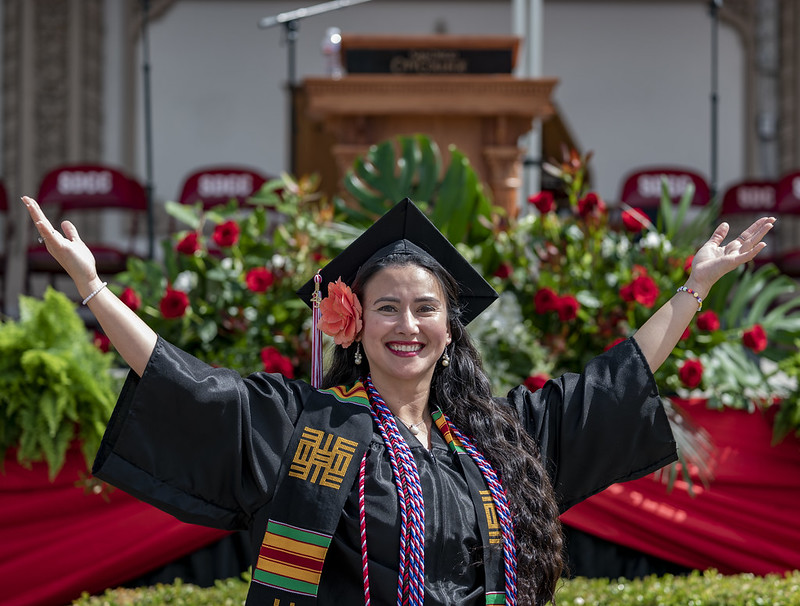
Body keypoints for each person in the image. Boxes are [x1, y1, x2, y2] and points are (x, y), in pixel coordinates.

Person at [22, 195, 774, 606]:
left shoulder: (496, 441)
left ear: (451, 328)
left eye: (424, 309)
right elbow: (187, 384)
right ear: (354, 322)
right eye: (386, 308)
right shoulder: (311, 427)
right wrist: (93, 288)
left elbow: (614, 381)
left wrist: (694, 286)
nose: (406, 325)